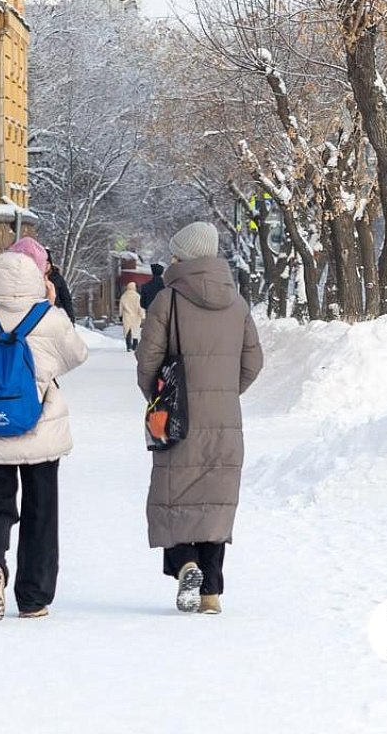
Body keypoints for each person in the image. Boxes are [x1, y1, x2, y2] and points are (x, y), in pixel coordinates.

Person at [0, 237, 89, 621]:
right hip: (40, 430)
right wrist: (52, 305)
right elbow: (77, 354)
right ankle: (33, 598)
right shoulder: (47, 317)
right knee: (41, 511)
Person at [135, 222, 263, 615]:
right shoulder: (237, 303)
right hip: (224, 420)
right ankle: (210, 593)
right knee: (215, 502)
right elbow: (253, 362)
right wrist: (225, 392)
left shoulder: (167, 301)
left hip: (178, 417)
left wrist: (160, 398)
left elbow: (147, 361)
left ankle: (185, 564)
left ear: (183, 257)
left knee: (174, 496)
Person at [45, 249, 75, 323]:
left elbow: (66, 299)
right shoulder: (35, 278)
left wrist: (71, 319)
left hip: (57, 315)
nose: (45, 266)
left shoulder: (57, 278)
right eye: (43, 263)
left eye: (47, 263)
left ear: (51, 264)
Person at [119, 281, 145, 352]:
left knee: (127, 331)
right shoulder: (138, 296)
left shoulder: (124, 296)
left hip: (127, 316)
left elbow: (121, 307)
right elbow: (140, 307)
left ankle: (128, 346)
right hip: (136, 316)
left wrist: (120, 316)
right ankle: (135, 345)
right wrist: (143, 316)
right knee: (135, 331)